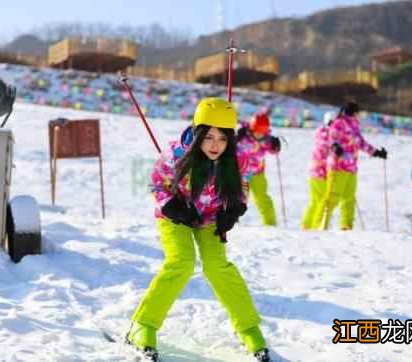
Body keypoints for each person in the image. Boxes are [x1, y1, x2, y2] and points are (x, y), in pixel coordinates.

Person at [127, 98, 272, 362]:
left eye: (222, 139)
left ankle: (249, 327)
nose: (215, 145)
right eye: (209, 137)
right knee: (181, 262)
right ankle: (143, 325)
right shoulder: (176, 155)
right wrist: (173, 206)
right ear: (197, 134)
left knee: (217, 266)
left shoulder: (238, 159)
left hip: (210, 218)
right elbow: (157, 184)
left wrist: (234, 209)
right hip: (177, 216)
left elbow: (243, 187)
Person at [313, 102, 387, 230]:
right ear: (353, 113)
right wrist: (335, 147)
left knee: (349, 198)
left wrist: (376, 152)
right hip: (338, 165)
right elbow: (332, 138)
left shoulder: (354, 126)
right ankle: (323, 223)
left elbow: (361, 143)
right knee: (333, 196)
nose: (359, 116)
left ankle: (346, 225)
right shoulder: (338, 123)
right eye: (358, 113)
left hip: (351, 167)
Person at [236, 111, 281, 226]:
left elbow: (273, 151)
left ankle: (270, 223)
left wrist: (276, 146)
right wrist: (235, 138)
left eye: (262, 133)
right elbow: (232, 148)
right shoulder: (243, 137)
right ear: (252, 129)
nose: (259, 136)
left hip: (257, 173)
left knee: (262, 198)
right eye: (257, 133)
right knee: (239, 199)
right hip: (242, 174)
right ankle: (233, 222)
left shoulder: (266, 140)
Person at [301, 111, 336, 230]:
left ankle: (308, 224)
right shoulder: (325, 135)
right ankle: (314, 225)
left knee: (318, 200)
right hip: (319, 172)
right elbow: (323, 152)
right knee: (320, 200)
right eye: (332, 122)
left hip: (321, 172)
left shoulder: (327, 134)